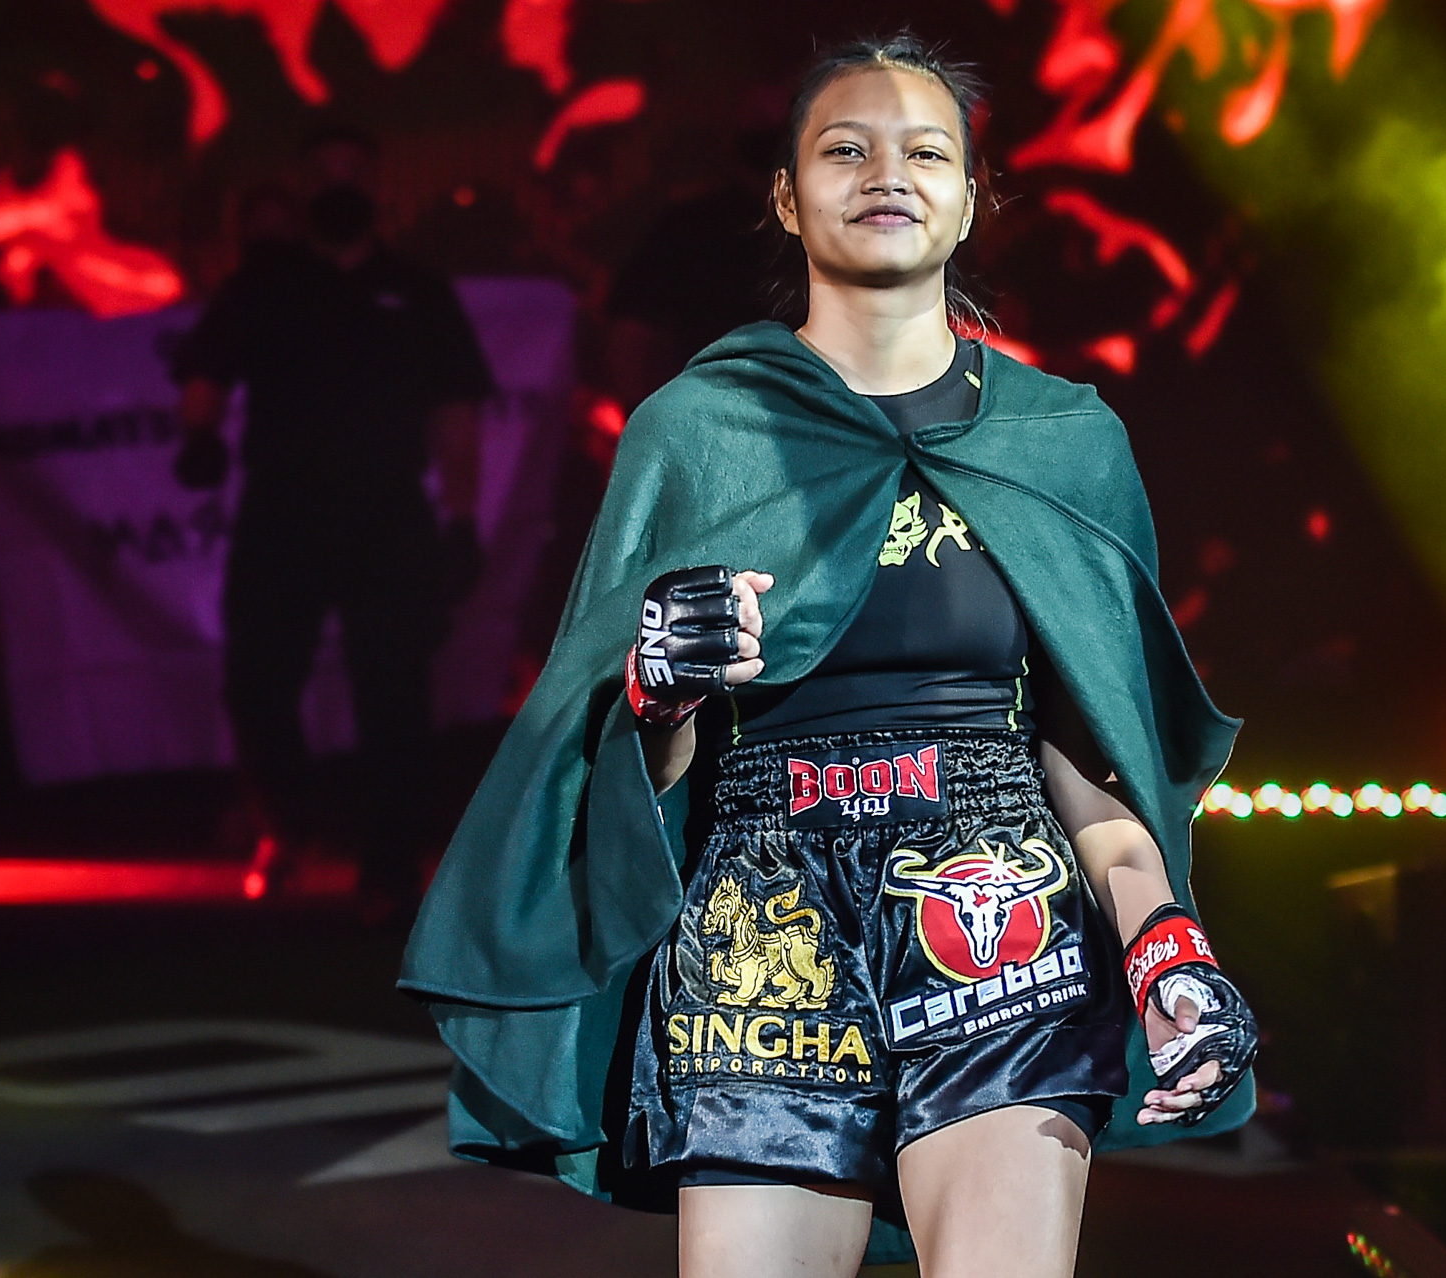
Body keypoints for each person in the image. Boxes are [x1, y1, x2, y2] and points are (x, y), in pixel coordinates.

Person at [399, 35, 1258, 1276]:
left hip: (997, 912)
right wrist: (660, 692)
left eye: (926, 152)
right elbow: (632, 765)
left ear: (972, 199)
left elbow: (1092, 757)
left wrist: (1166, 942)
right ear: (789, 198)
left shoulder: (1064, 439)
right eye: (845, 149)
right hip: (763, 924)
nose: (886, 174)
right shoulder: (697, 432)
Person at [172, 126, 496, 920]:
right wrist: (200, 434)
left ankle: (390, 862)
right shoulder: (262, 285)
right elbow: (205, 371)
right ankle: (289, 824)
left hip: (387, 515)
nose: (339, 185)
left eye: (353, 171)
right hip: (282, 513)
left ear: (376, 187)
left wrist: (460, 517)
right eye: (324, 174)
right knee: (257, 682)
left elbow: (455, 410)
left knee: (394, 690)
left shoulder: (417, 292)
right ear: (303, 188)